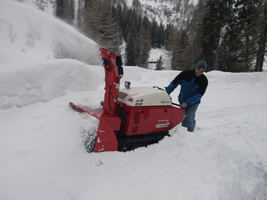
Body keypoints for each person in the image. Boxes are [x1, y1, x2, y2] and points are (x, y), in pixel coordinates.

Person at [166, 60, 208, 132]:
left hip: (194, 102)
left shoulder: (204, 80)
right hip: (182, 100)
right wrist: (166, 93)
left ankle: (190, 134)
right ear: (195, 67)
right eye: (198, 70)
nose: (199, 72)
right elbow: (174, 83)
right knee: (182, 117)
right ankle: (183, 133)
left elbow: (199, 95)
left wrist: (187, 103)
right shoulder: (185, 74)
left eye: (201, 71)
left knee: (190, 117)